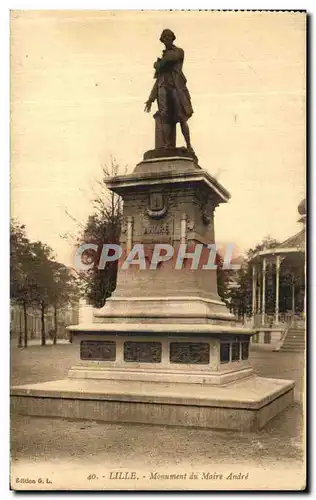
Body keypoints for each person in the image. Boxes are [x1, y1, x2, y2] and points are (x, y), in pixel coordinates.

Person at [144, 29, 194, 152]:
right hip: (163, 91)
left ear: (172, 38)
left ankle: (189, 146)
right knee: (164, 118)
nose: (166, 39)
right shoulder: (163, 59)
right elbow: (158, 81)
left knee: (181, 118)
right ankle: (167, 146)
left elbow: (170, 59)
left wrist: (158, 64)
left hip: (176, 89)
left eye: (168, 36)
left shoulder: (178, 52)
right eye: (164, 37)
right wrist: (151, 98)